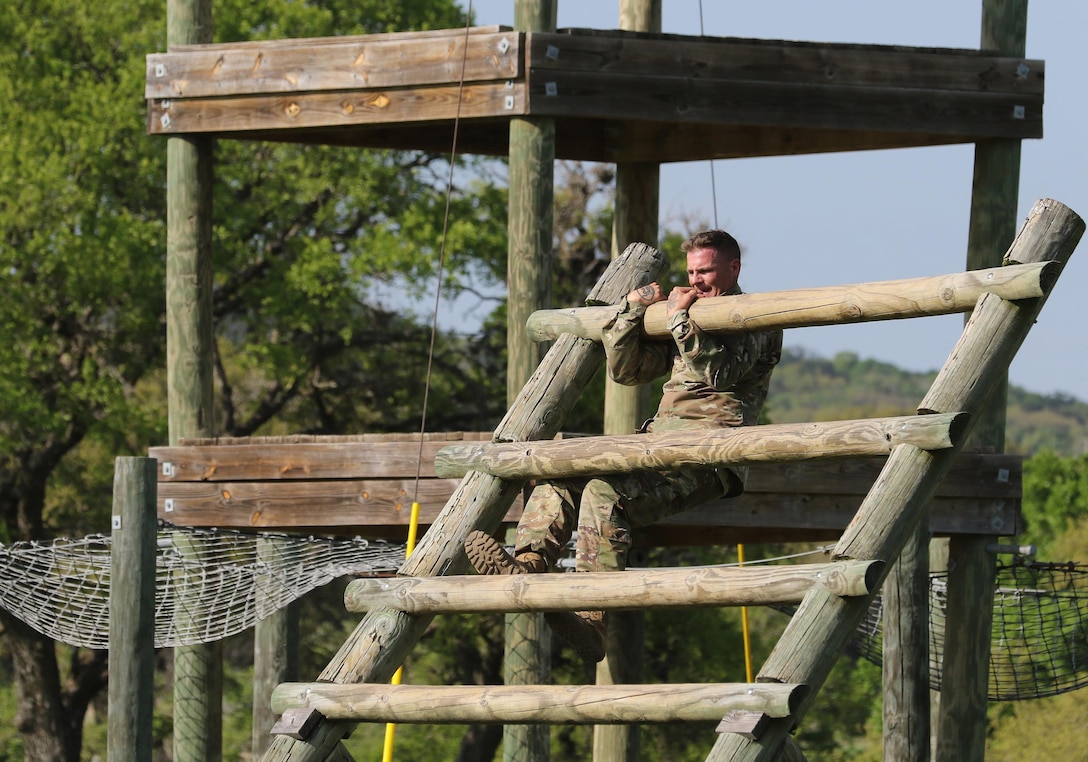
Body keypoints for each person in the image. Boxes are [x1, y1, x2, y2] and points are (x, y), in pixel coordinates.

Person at [465, 229, 783, 662]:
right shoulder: (690, 312)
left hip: (709, 457)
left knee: (603, 492)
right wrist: (632, 311)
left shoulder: (754, 315)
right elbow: (628, 370)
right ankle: (530, 565)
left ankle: (594, 618)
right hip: (657, 448)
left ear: (734, 268)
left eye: (705, 271)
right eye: (691, 271)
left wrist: (677, 318)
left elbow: (718, 373)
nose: (696, 280)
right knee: (563, 474)